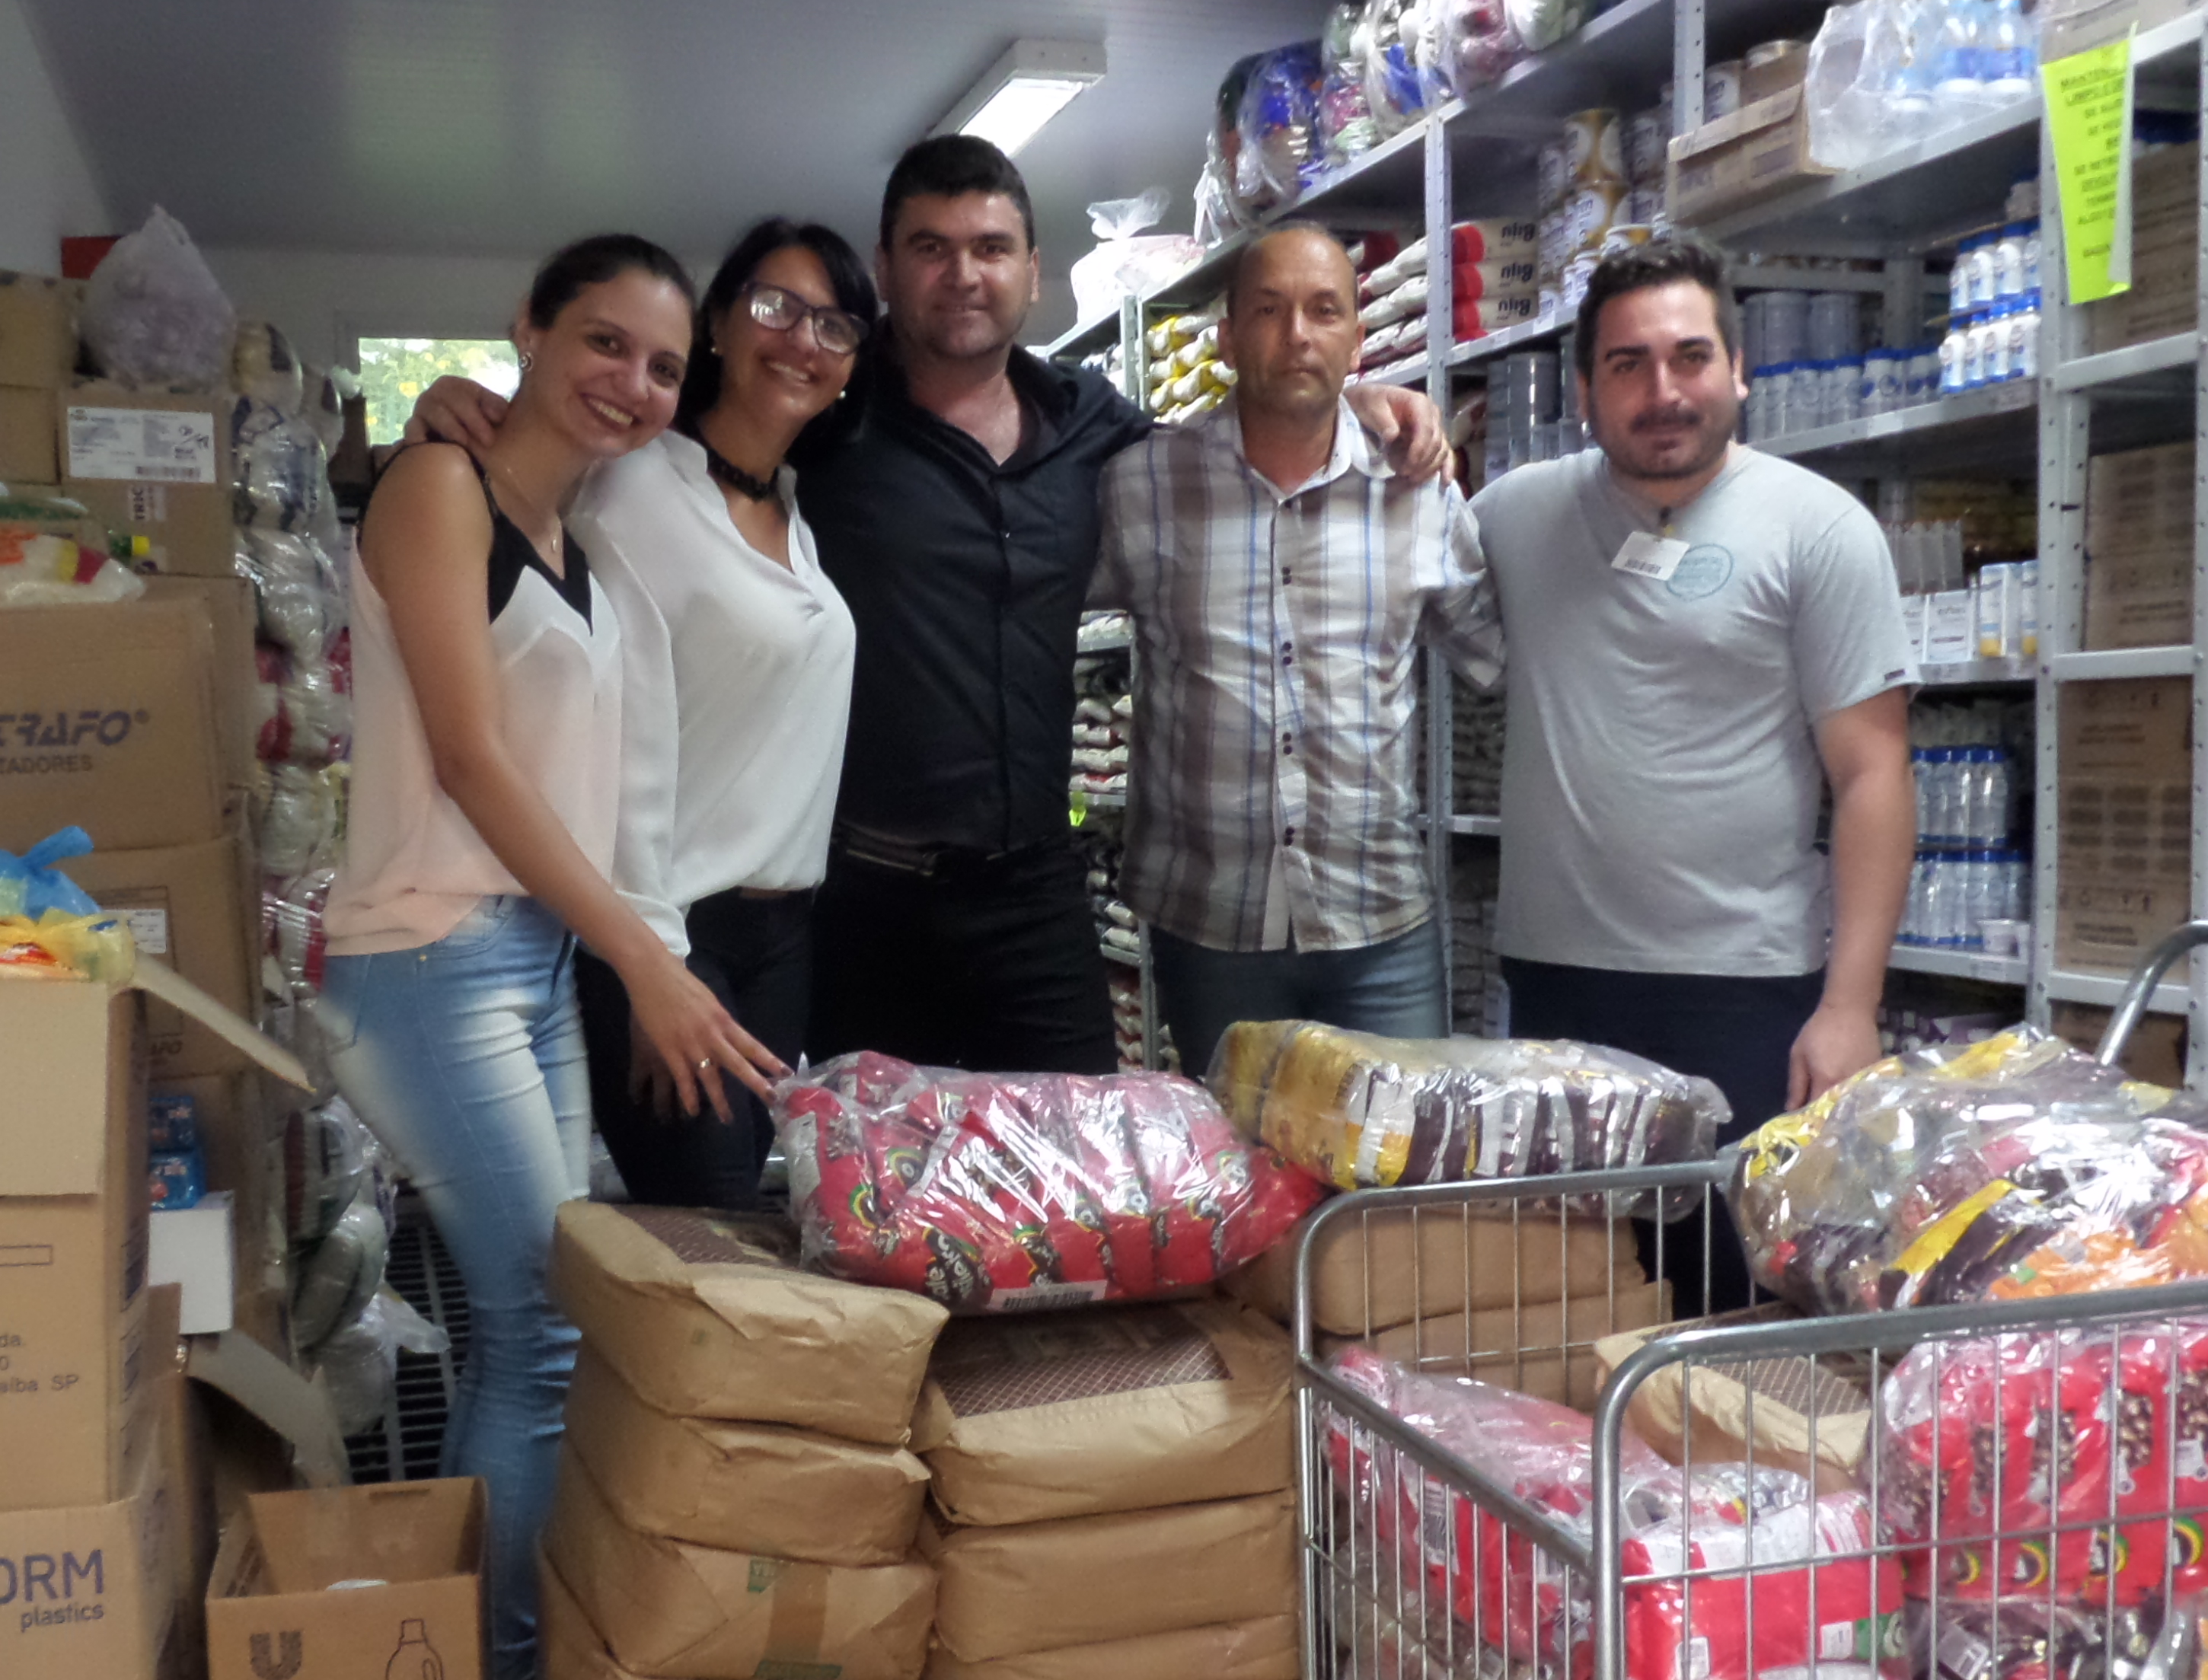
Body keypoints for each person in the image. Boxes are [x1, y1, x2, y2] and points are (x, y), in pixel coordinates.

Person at [415, 135, 1447, 1076]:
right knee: (878, 1192)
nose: (963, 274)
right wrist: (470, 411)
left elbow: (1235, 448)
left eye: (991, 248)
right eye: (931, 248)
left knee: (1078, 1179)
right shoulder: (822, 417)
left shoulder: (1095, 427)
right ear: (888, 268)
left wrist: (1355, 401)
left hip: (1038, 897)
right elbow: (629, 427)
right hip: (866, 906)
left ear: (1032, 272)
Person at [314, 234, 779, 1680]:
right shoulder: (436, 489)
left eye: (662, 367)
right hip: (422, 957)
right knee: (543, 1327)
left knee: (539, 1324)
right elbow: (468, 760)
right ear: (528, 326)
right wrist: (647, 962)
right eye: (603, 342)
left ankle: (484, 1656)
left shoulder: (573, 538)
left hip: (524, 957)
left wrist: (621, 943)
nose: (631, 384)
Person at [1467, 234, 1913, 1295]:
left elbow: (1873, 774)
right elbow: (1397, 538)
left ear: (1738, 369)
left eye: (1691, 357)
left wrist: (1849, 1007)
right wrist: (1404, 425)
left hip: (1744, 990)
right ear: (1584, 390)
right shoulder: (1513, 516)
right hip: (1558, 986)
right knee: (1565, 1302)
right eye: (1628, 365)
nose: (1663, 392)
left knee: (1726, 1299)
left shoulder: (1819, 529)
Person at [1089, 222, 1495, 1079]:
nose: (1298, 334)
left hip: (1378, 923)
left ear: (1357, 339)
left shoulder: (1416, 492)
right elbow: (1029, 615)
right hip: (1210, 926)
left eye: (1324, 310)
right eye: (1269, 311)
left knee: (1394, 1160)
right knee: (1234, 1159)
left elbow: (1500, 654)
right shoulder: (1141, 487)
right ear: (1228, 337)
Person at [573, 218, 876, 1207]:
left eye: (834, 325)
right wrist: (653, 965)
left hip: (781, 939)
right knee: (711, 1227)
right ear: (718, 322)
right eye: (775, 306)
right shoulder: (633, 488)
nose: (802, 340)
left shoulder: (791, 508)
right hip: (672, 930)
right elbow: (614, 742)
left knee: (741, 1214)